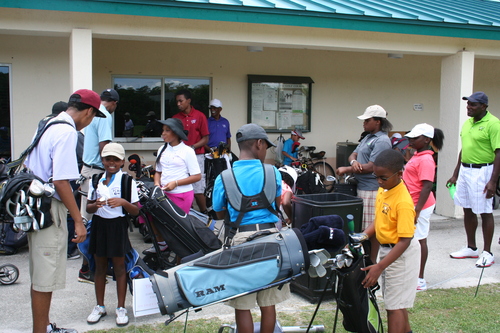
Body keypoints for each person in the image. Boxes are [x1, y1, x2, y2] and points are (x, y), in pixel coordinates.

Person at [25, 89, 105, 333]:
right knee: (45, 278)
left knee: (40, 274)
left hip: (35, 208)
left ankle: (44, 326)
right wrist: (78, 221)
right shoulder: (67, 132)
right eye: (92, 118)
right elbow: (61, 182)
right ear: (89, 111)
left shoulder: (48, 123)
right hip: (50, 211)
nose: (89, 123)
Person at [213, 123, 289, 333]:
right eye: (266, 146)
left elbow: (219, 212)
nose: (266, 151)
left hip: (240, 240)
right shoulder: (272, 171)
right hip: (271, 239)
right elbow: (277, 204)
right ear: (258, 143)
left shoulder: (224, 177)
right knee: (268, 302)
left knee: (243, 305)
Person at [357, 149, 419, 333]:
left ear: (399, 174)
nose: (379, 182)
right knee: (396, 303)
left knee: (393, 308)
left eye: (383, 178)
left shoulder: (403, 202)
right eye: (376, 177)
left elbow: (405, 240)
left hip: (401, 255)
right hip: (388, 252)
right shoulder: (385, 189)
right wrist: (363, 236)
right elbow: (379, 220)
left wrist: (379, 266)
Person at [85, 143, 140, 327]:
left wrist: (123, 202)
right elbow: (88, 207)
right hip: (100, 226)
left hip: (117, 227)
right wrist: (97, 205)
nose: (111, 163)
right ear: (102, 160)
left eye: (115, 159)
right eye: (108, 159)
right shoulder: (96, 180)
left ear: (122, 162)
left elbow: (136, 211)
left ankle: (121, 307)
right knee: (99, 267)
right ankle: (100, 306)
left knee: (119, 267)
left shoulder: (126, 181)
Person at [448, 91, 500, 268]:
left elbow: (499, 152)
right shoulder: (468, 123)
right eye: (468, 104)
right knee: (467, 208)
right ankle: (471, 247)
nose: (469, 107)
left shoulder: (493, 124)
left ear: (484, 107)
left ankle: (487, 252)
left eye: (473, 105)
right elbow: (465, 149)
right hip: (465, 170)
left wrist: (493, 180)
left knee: (484, 211)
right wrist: (456, 173)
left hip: (483, 171)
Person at [143, 118, 202, 254]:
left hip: (181, 194)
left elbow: (196, 176)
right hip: (163, 193)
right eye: (163, 130)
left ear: (176, 133)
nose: (163, 133)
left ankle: (180, 254)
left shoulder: (187, 151)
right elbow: (158, 171)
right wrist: (157, 184)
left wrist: (175, 183)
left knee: (177, 226)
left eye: (167, 131)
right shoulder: (162, 149)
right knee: (151, 216)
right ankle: (162, 243)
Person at [79, 88, 119, 284]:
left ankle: (90, 266)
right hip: (96, 173)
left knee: (86, 220)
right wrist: (112, 171)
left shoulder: (93, 112)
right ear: (113, 104)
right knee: (101, 221)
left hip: (86, 170)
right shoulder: (104, 114)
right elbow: (105, 147)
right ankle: (91, 268)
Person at [336, 105, 392, 231]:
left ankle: (372, 251)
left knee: (368, 230)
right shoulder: (367, 137)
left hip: (372, 190)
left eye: (367, 120)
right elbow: (353, 154)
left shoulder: (382, 141)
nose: (364, 123)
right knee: (361, 227)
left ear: (378, 121)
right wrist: (354, 162)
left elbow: (372, 166)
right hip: (362, 187)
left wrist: (347, 169)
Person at [403, 123, 444, 291]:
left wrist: (417, 210)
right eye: (410, 137)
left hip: (420, 205)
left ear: (427, 139)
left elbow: (427, 186)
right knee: (411, 240)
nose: (411, 140)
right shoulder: (418, 154)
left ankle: (420, 279)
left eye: (415, 138)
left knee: (419, 240)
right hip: (412, 203)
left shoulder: (426, 159)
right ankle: (412, 274)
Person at [173, 89, 210, 213]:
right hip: (179, 158)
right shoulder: (175, 118)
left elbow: (205, 138)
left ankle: (204, 214)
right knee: (183, 187)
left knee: (198, 189)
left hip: (197, 156)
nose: (178, 104)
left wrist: (192, 147)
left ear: (188, 101)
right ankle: (188, 214)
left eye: (181, 101)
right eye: (177, 101)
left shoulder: (200, 116)